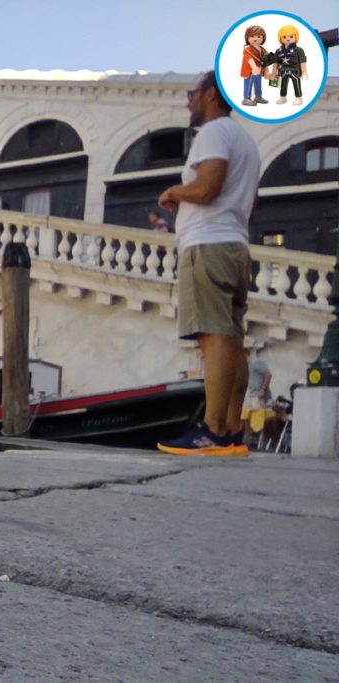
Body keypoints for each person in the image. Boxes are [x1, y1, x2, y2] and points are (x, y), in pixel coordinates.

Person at [156, 70, 260, 457]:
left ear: (211, 93)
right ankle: (232, 429)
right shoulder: (247, 140)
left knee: (212, 336)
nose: (188, 101)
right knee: (233, 340)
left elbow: (208, 186)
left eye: (192, 93)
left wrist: (174, 190)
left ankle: (213, 430)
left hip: (208, 244)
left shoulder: (213, 133)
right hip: (235, 244)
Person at [268, 25, 307, 105]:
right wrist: (274, 72)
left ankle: (298, 97)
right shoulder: (279, 50)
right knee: (283, 84)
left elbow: (302, 61)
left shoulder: (298, 50)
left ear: (295, 37)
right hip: (282, 70)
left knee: (296, 84)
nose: (288, 39)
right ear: (280, 38)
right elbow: (275, 62)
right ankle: (283, 97)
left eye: (291, 36)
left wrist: (304, 72)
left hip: (294, 70)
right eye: (284, 37)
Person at [240, 25, 268, 106]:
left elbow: (266, 60)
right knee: (248, 83)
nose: (255, 39)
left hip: (259, 71)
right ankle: (246, 98)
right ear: (247, 38)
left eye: (258, 36)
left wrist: (267, 72)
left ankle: (258, 96)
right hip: (249, 71)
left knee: (258, 83)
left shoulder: (263, 50)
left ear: (263, 38)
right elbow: (249, 59)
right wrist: (254, 67)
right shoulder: (247, 50)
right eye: (252, 36)